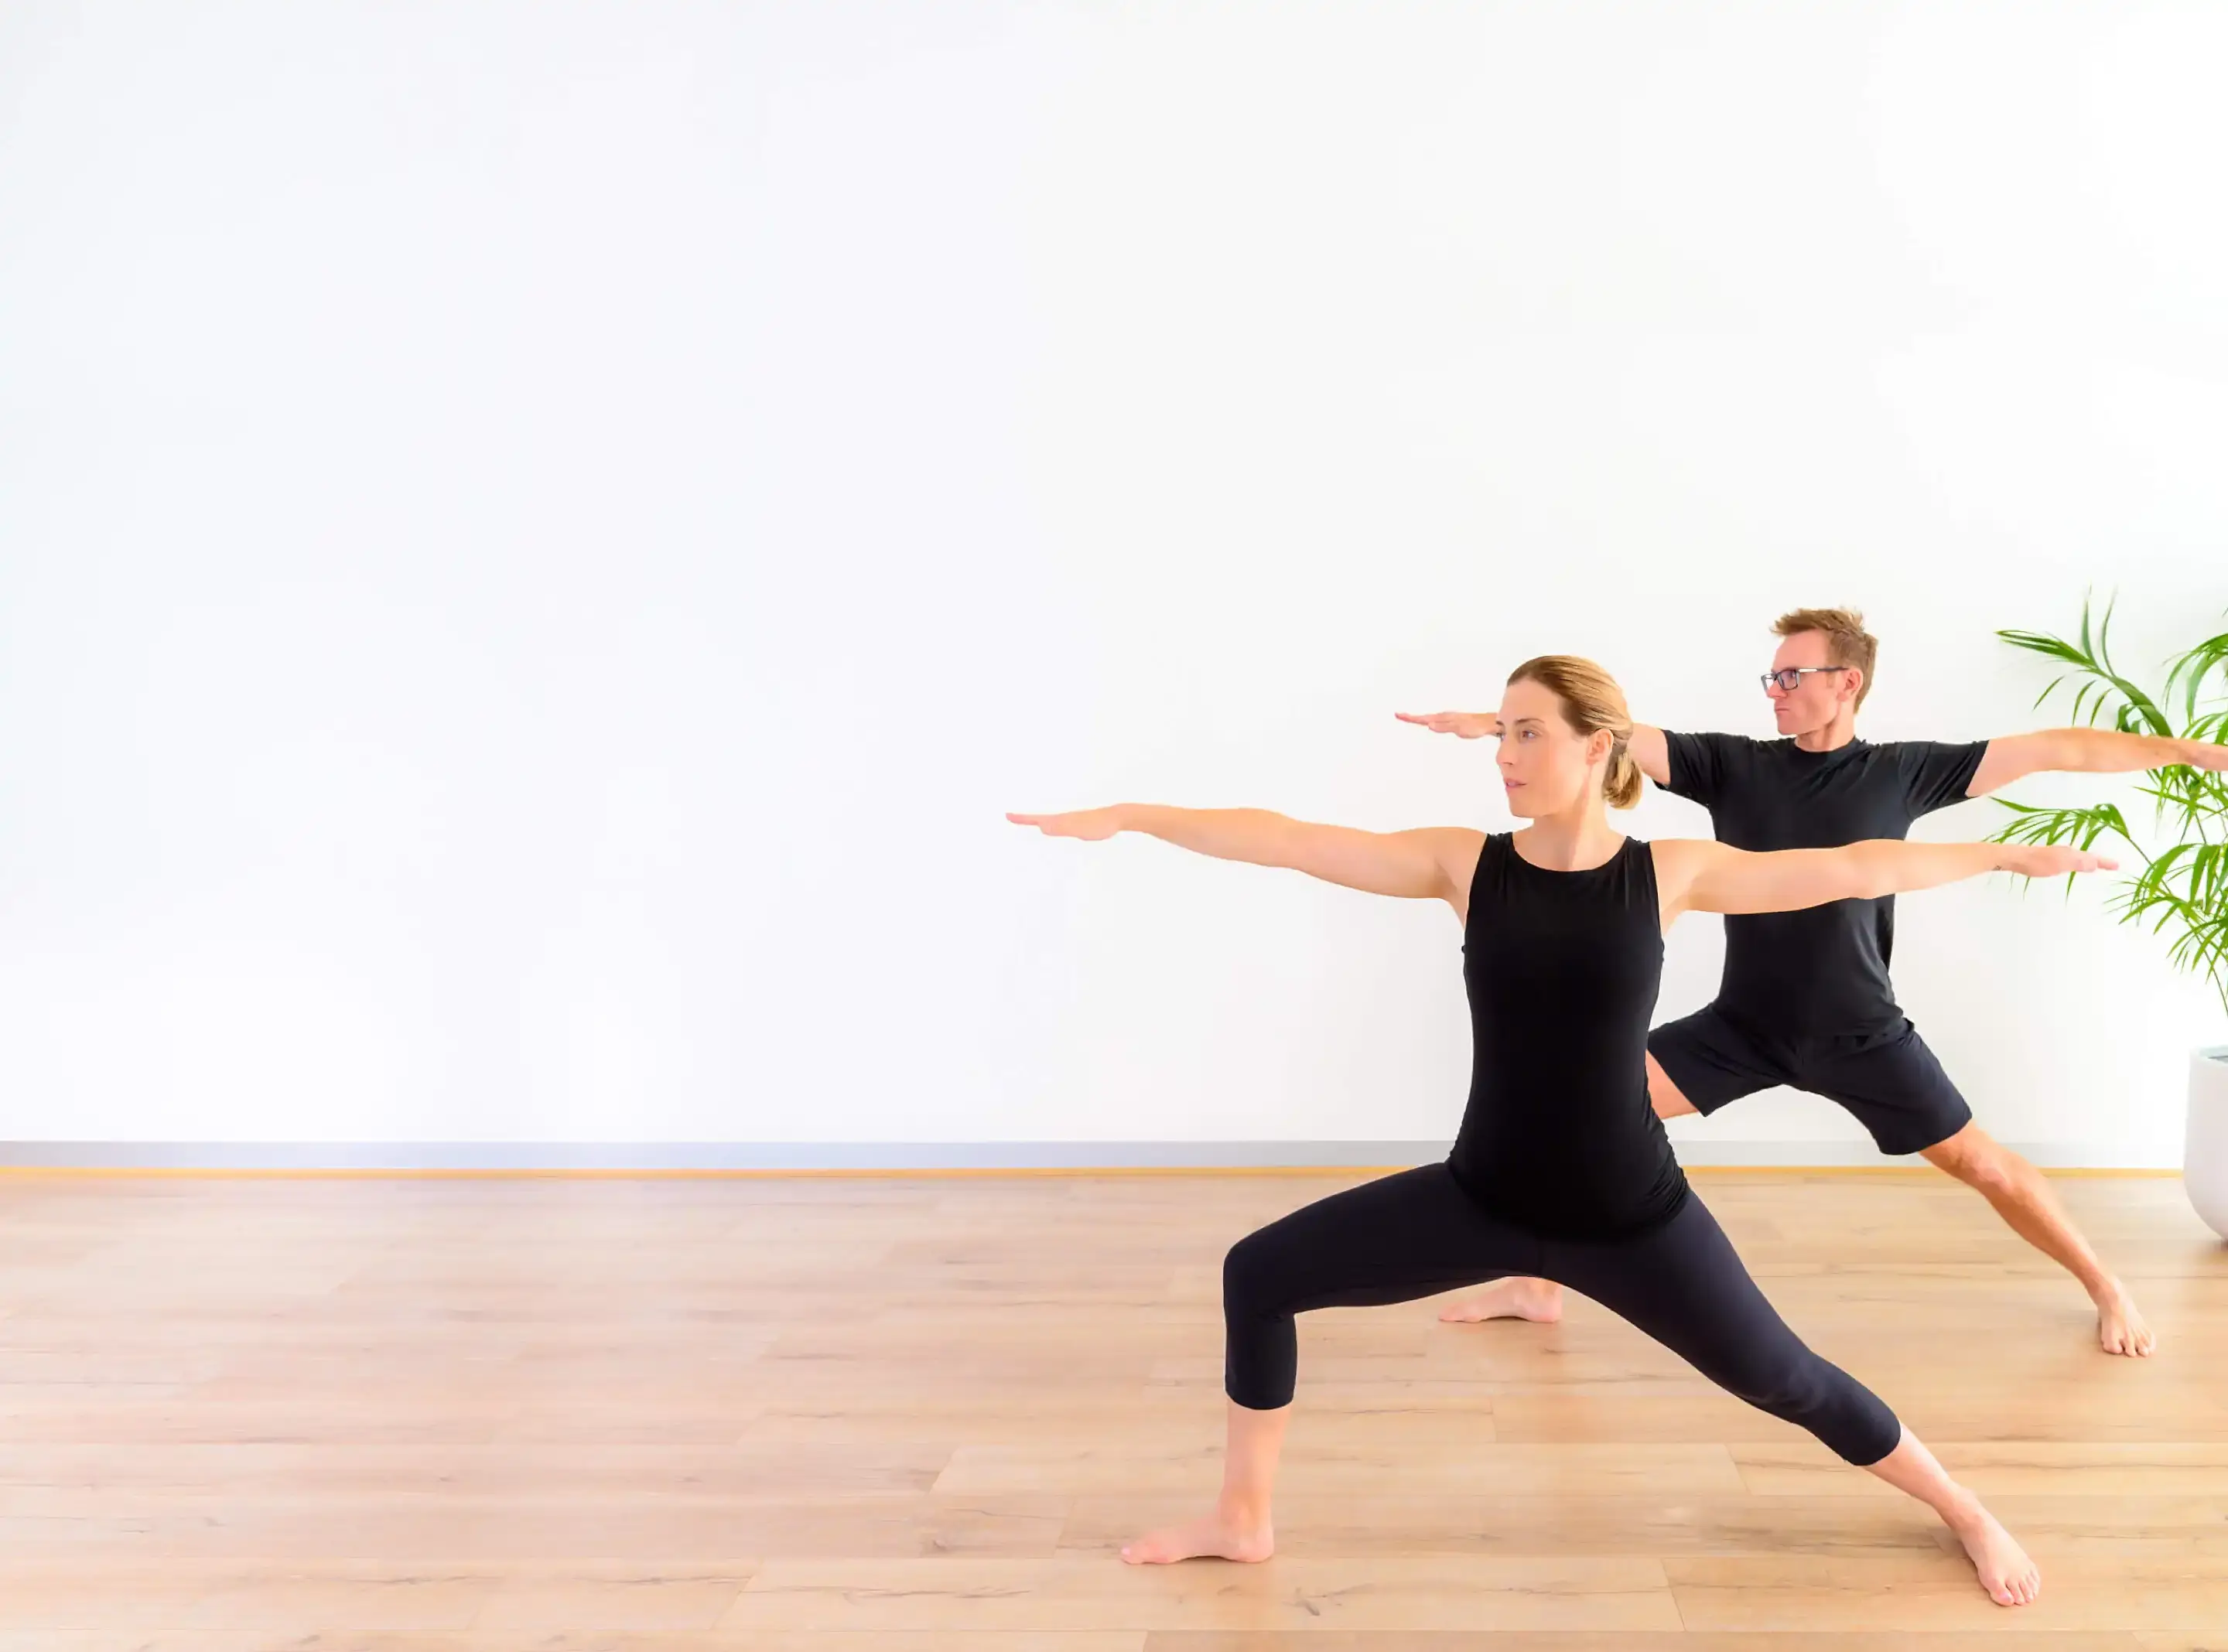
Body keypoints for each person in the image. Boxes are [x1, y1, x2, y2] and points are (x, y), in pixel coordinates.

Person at [1011, 654, 2113, 1607]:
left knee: (1791, 1382)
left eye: (1527, 733)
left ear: (1599, 747)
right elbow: (1296, 841)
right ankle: (1242, 1520)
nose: (1505, 755)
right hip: (1481, 1198)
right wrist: (1137, 818)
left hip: (1633, 1219)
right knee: (1258, 1272)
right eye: (1500, 734)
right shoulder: (1465, 863)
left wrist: (2001, 858)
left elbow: (1853, 868)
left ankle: (1962, 1507)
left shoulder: (1666, 873)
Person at [1403, 609, 2226, 1357]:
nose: (1776, 692)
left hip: (1860, 1031)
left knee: (1989, 1169)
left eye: (1792, 676)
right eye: (1772, 677)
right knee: (1574, 1113)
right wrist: (1511, 726)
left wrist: (2185, 752)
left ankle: (2105, 1287)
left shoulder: (1906, 773)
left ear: (1848, 682)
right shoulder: (1732, 768)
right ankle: (1539, 1283)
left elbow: (2057, 749)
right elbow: (1612, 731)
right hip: (1742, 1028)